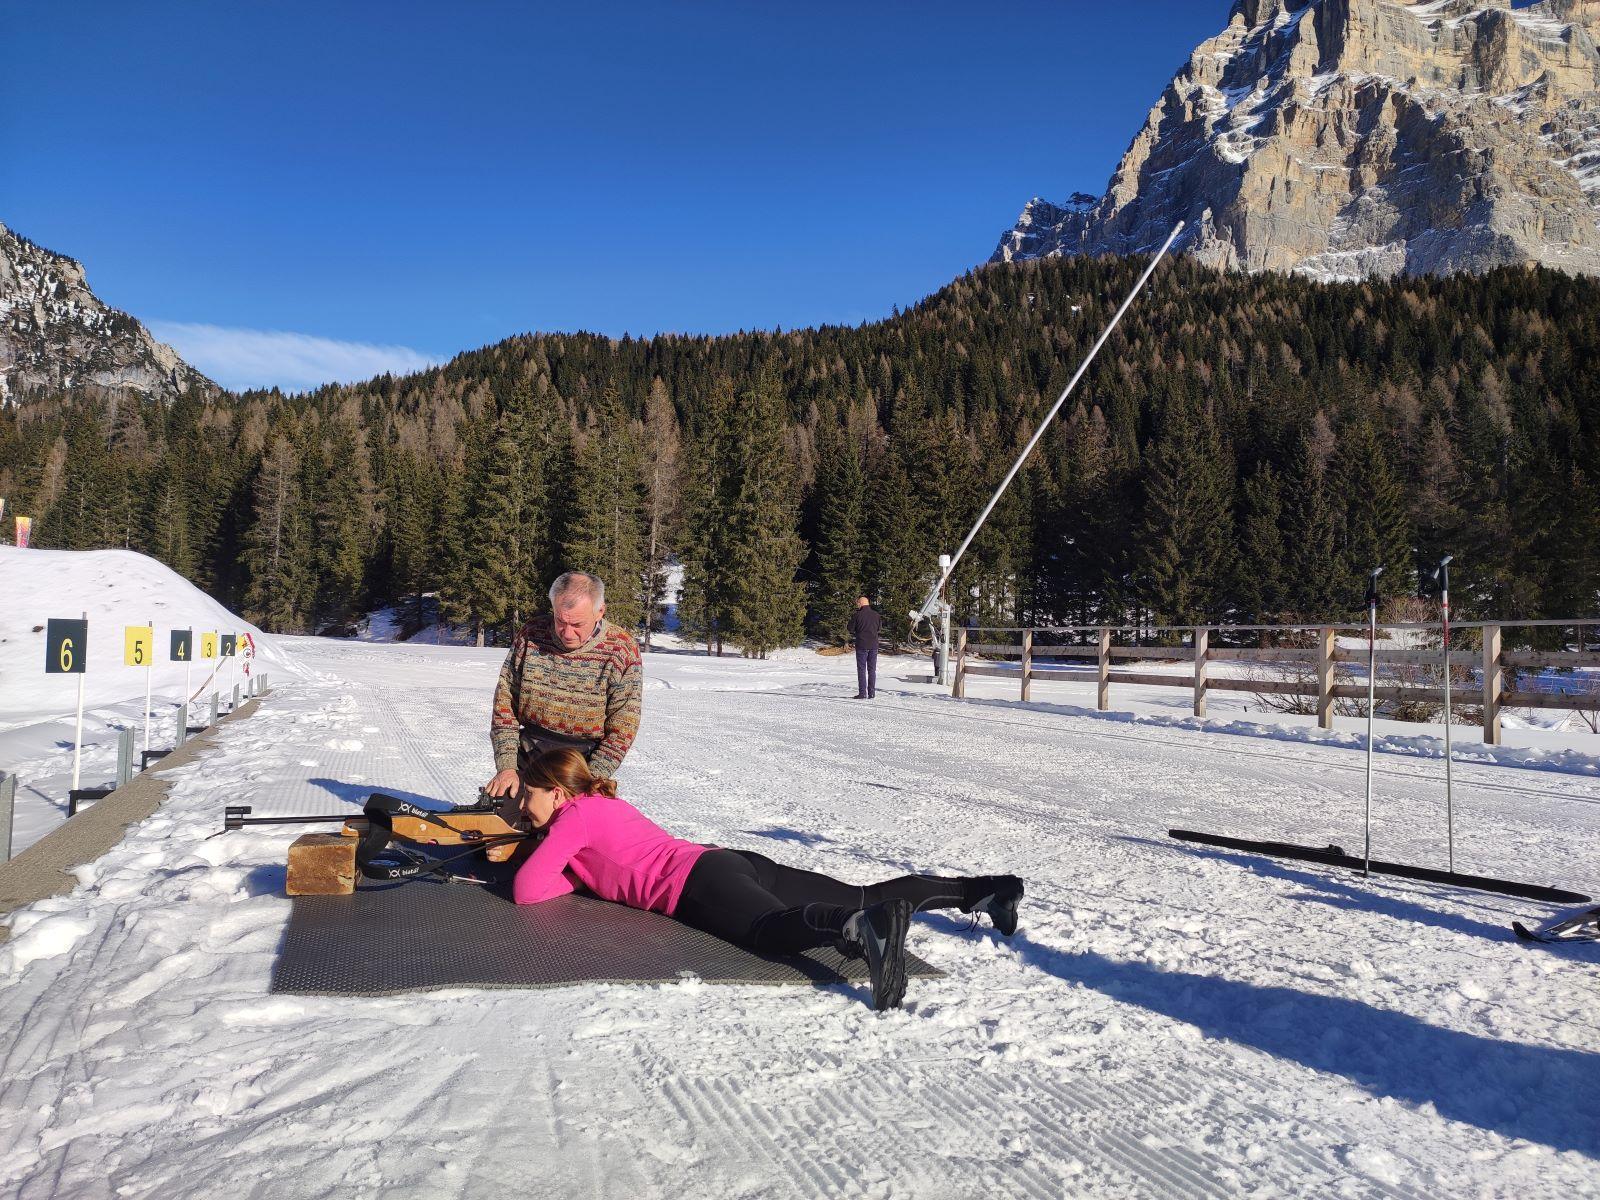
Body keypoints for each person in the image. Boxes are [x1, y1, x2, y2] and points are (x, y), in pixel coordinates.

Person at [507, 748, 1025, 1011]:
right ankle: (984, 889)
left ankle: (858, 926)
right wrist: (575, 870)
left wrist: (555, 863)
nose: (524, 805)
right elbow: (597, 864)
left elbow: (528, 890)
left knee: (769, 930)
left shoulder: (571, 818)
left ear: (557, 792)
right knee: (867, 892)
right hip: (730, 861)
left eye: (529, 794)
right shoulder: (603, 803)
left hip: (696, 886)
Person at [486, 572, 642, 798]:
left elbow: (623, 727)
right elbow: (505, 704)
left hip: (583, 762)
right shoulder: (532, 634)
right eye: (560, 621)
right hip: (529, 754)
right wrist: (507, 767)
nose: (567, 633)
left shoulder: (621, 648)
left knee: (574, 819)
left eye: (577, 624)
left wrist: (590, 779)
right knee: (501, 816)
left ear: (600, 611)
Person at [847, 595, 882, 700]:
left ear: (861, 603)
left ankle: (862, 693)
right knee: (872, 670)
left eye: (858, 603)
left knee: (862, 669)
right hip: (873, 645)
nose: (857, 605)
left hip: (862, 645)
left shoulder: (857, 615)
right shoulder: (876, 615)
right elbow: (879, 628)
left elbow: (850, 628)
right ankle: (872, 693)